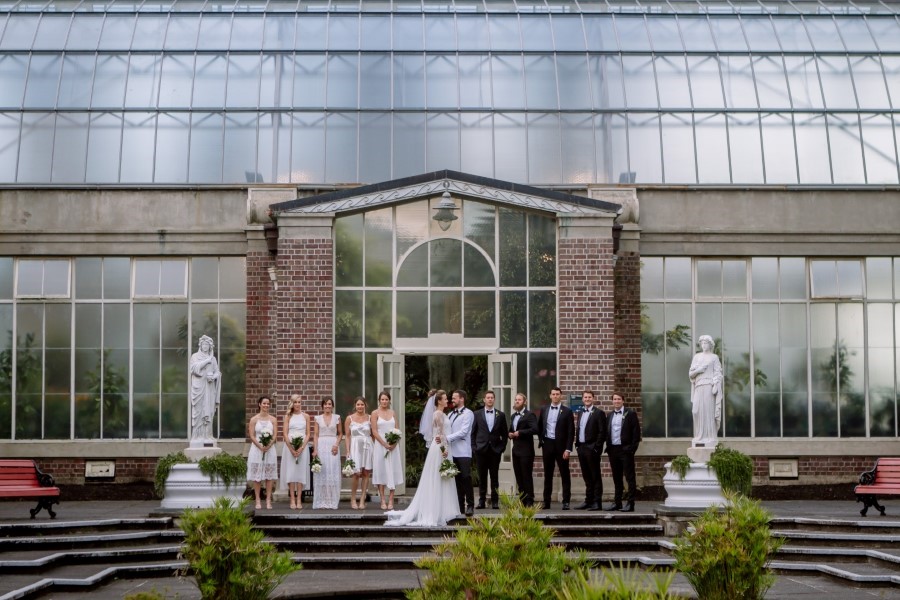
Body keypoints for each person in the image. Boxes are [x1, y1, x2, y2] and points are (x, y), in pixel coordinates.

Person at [385, 390, 459, 527]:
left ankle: (443, 509)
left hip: (443, 446)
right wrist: (444, 450)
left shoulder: (442, 414)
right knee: (438, 477)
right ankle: (436, 511)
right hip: (440, 448)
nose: (447, 400)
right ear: (439, 401)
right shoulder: (438, 414)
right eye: (445, 399)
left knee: (443, 478)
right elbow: (440, 434)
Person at [537, 387, 574, 510]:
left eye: (557, 394)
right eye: (553, 394)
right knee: (548, 474)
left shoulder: (567, 411)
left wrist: (568, 449)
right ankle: (546, 501)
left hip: (561, 446)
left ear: (561, 396)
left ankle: (566, 501)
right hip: (547, 444)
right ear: (550, 396)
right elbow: (539, 426)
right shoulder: (544, 409)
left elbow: (571, 431)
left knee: (565, 474)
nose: (555, 396)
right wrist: (542, 440)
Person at [605, 393, 641, 512]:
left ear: (623, 401)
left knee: (630, 477)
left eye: (619, 399)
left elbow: (636, 433)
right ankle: (617, 502)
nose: (616, 401)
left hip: (626, 450)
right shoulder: (609, 415)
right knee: (617, 478)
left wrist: (631, 449)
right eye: (614, 399)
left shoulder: (630, 414)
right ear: (612, 401)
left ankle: (630, 503)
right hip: (613, 450)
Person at [472, 390, 508, 509]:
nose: (490, 399)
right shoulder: (477, 414)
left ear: (494, 399)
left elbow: (505, 434)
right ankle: (481, 501)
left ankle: (495, 501)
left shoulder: (500, 415)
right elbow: (473, 433)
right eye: (488, 397)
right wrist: (474, 448)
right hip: (481, 450)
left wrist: (501, 448)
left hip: (494, 451)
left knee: (494, 477)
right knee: (482, 477)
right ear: (484, 399)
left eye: (492, 397)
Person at [574, 389, 606, 511]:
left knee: (595, 476)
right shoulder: (580, 412)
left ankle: (597, 502)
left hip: (592, 448)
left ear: (593, 398)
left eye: (589, 397)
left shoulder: (599, 413)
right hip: (582, 448)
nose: (587, 399)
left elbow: (602, 432)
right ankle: (589, 500)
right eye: (585, 397)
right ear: (582, 399)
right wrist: (577, 446)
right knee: (586, 476)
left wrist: (596, 447)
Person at [690, 334, 724, 447]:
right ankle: (699, 435)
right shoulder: (697, 357)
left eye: (706, 343)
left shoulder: (714, 357)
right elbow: (690, 374)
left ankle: (710, 437)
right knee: (696, 411)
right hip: (699, 387)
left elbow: (718, 373)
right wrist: (698, 370)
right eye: (702, 343)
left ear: (710, 345)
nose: (704, 345)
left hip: (709, 387)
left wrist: (716, 384)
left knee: (708, 412)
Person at [371, 390, 403, 510]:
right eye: (382, 399)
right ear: (379, 400)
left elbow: (397, 430)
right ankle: (382, 500)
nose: (384, 401)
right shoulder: (375, 413)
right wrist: (384, 444)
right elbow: (374, 431)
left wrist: (394, 443)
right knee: (381, 470)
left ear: (389, 400)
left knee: (392, 470)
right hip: (380, 445)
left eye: (386, 399)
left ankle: (391, 499)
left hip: (393, 446)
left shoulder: (393, 412)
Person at [246, 395, 278, 510]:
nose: (266, 405)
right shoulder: (254, 419)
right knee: (257, 476)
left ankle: (268, 500)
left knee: (269, 476)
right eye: (264, 403)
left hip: (269, 449)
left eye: (268, 404)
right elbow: (251, 435)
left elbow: (275, 435)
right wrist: (260, 446)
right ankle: (258, 499)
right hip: (257, 449)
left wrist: (269, 444)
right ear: (259, 404)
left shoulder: (273, 419)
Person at [447, 389, 475, 517]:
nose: (452, 400)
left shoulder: (468, 413)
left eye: (454, 398)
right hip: (452, 452)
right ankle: (460, 506)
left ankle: (470, 505)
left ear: (462, 399)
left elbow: (464, 432)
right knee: (456, 480)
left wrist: (447, 438)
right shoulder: (450, 414)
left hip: (463, 452)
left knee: (466, 478)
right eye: (452, 398)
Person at [280, 394, 310, 510]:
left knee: (301, 471)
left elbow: (308, 434)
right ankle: (292, 498)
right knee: (291, 472)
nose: (297, 404)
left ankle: (299, 499)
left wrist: (302, 447)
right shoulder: (288, 416)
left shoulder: (306, 416)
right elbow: (285, 433)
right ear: (292, 403)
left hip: (302, 447)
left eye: (299, 402)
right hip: (290, 447)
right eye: (295, 402)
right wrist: (291, 448)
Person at [508, 392, 538, 507]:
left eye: (519, 400)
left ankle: (530, 500)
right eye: (516, 399)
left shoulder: (530, 415)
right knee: (519, 477)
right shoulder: (513, 416)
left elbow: (535, 429)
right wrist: (510, 434)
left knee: (526, 476)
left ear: (524, 402)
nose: (517, 401)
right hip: (516, 450)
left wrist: (520, 432)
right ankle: (522, 500)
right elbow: (512, 429)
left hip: (526, 451)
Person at [312, 396, 343, 510]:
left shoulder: (337, 418)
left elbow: (340, 433)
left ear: (332, 406)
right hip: (321, 446)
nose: (327, 406)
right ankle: (322, 501)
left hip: (333, 445)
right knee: (322, 472)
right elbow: (316, 435)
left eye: (329, 404)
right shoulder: (318, 418)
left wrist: (336, 444)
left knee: (332, 471)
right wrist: (315, 449)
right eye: (325, 404)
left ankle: (331, 500)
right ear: (322, 406)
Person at [189, 335, 220, 444]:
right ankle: (197, 437)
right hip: (198, 388)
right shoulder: (195, 356)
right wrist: (206, 361)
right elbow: (193, 369)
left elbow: (217, 372)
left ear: (210, 346)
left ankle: (208, 436)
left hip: (209, 388)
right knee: (198, 412)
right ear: (200, 345)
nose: (205, 346)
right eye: (203, 344)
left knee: (209, 411)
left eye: (207, 344)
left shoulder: (213, 359)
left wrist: (214, 377)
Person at [345, 396, 374, 510]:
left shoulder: (370, 418)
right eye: (358, 404)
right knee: (356, 474)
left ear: (365, 405)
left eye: (362, 404)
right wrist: (348, 451)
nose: (360, 406)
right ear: (355, 405)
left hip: (367, 446)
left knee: (366, 473)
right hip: (355, 447)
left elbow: (373, 434)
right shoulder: (349, 418)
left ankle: (362, 499)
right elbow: (347, 436)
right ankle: (353, 499)